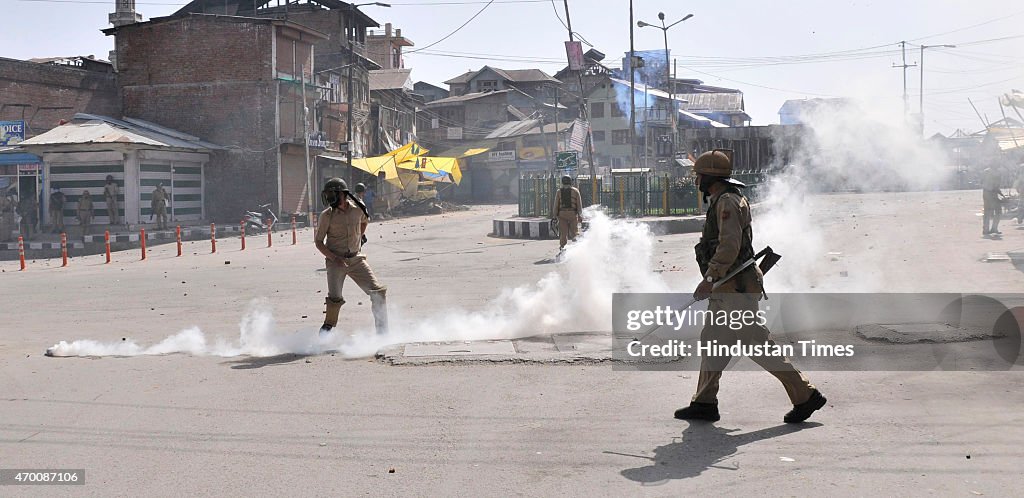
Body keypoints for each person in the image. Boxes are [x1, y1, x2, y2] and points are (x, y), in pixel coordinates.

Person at [674, 149, 826, 424]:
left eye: (699, 175)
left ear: (710, 176)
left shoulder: (728, 202)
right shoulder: (723, 199)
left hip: (734, 289)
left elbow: (729, 246)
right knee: (712, 342)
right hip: (727, 289)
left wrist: (709, 279)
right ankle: (704, 402)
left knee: (757, 345)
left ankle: (805, 395)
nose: (696, 180)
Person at [314, 178, 388, 335]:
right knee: (334, 300)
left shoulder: (358, 209)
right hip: (336, 262)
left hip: (356, 259)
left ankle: (383, 334)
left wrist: (359, 236)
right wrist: (335, 258)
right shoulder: (326, 215)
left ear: (342, 194)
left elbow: (364, 221)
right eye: (327, 195)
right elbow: (319, 242)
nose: (329, 198)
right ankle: (326, 331)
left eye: (332, 194)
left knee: (378, 293)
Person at [550, 175, 583, 251]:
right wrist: (580, 215)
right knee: (575, 233)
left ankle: (562, 248)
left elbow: (556, 205)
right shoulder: (575, 191)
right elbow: (579, 204)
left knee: (563, 234)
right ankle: (577, 249)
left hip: (562, 215)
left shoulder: (559, 191)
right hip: (573, 215)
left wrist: (554, 216)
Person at [981, 166, 1002, 236]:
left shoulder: (985, 171)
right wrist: (999, 192)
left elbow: (981, 182)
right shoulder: (996, 173)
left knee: (987, 212)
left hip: (985, 193)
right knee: (998, 211)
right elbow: (996, 185)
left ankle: (985, 230)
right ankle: (994, 228)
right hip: (992, 193)